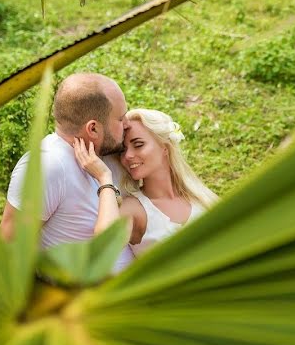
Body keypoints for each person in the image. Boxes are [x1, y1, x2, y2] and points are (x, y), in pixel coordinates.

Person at [0, 72, 134, 272]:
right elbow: (8, 246)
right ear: (93, 129)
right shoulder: (49, 167)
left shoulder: (106, 155)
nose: (127, 124)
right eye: (121, 118)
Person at [73, 108, 218, 255]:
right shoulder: (136, 208)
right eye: (123, 150)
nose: (128, 156)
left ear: (165, 147)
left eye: (138, 144)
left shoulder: (201, 198)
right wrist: (104, 177)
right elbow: (102, 245)